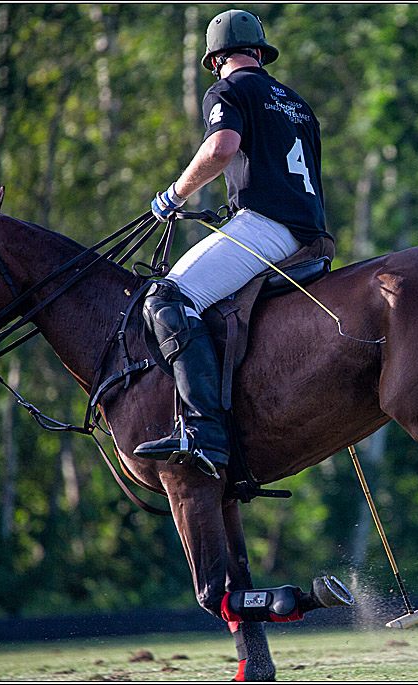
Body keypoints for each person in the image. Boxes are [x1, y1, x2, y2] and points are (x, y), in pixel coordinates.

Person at [134, 9, 333, 476]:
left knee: (166, 298)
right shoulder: (299, 104)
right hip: (313, 237)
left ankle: (203, 432)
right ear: (260, 53)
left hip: (266, 227)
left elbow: (222, 147)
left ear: (216, 59)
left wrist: (173, 195)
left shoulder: (227, 90)